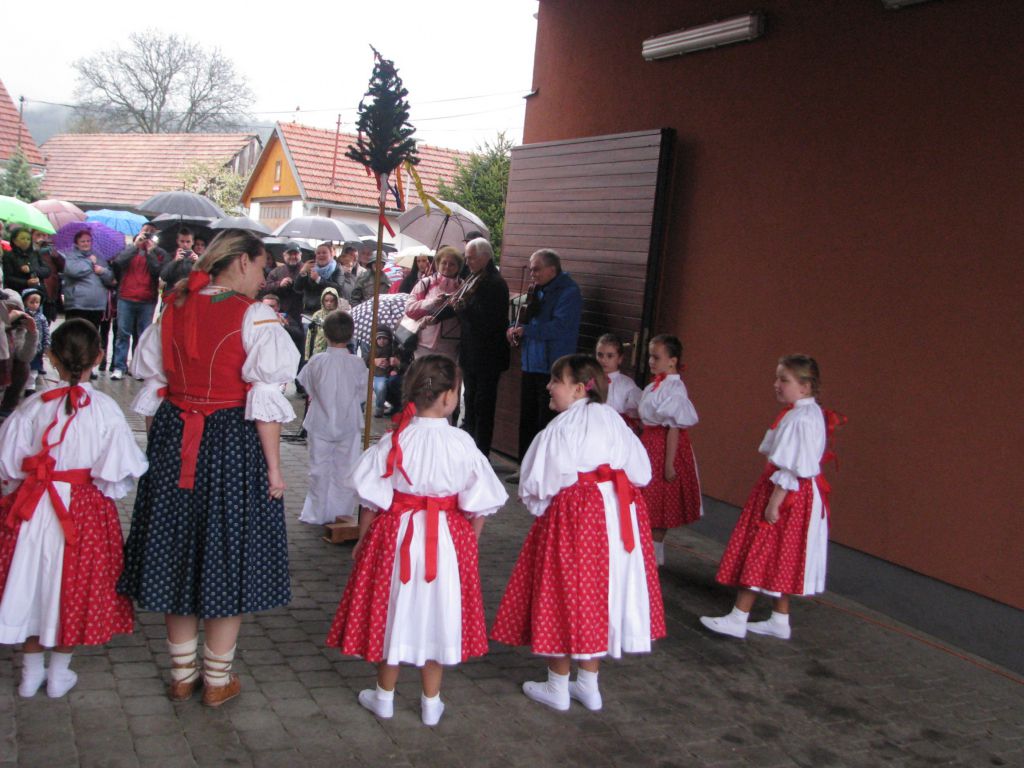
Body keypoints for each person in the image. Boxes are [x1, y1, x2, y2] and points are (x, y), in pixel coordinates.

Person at [118, 230, 300, 707]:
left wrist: (161, 451)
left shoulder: (172, 307)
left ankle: (182, 674)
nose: (263, 278)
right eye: (261, 267)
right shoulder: (254, 316)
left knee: (176, 550)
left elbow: (155, 391)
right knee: (227, 553)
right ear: (240, 262)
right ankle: (217, 680)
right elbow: (265, 403)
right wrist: (275, 470)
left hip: (174, 438)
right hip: (231, 441)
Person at [326, 354, 507, 727]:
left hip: (395, 538)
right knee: (438, 614)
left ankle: (384, 696)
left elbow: (371, 500)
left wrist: (363, 541)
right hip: (447, 543)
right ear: (449, 397)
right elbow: (480, 504)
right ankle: (430, 702)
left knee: (393, 611)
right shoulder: (462, 443)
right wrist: (469, 545)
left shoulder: (395, 439)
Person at [491, 354, 664, 712]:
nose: (549, 386)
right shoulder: (614, 420)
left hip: (577, 517)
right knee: (601, 593)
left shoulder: (562, 428)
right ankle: (588, 684)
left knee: (565, 590)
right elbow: (641, 472)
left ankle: (557, 685)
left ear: (580, 388)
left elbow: (536, 485)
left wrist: (543, 508)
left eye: (557, 380)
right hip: (618, 513)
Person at [0, 319, 147, 698]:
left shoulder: (31, 406)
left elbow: (8, 465)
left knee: (30, 582)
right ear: (99, 356)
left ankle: (31, 672)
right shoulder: (105, 410)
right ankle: (59, 673)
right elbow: (116, 475)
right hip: (83, 511)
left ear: (51, 357)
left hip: (31, 507)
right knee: (73, 586)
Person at [700, 356, 843, 641]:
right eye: (777, 378)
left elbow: (793, 466)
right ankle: (779, 618)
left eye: (784, 380)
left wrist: (775, 501)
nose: (776, 384)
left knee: (762, 547)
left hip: (787, 493)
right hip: (795, 491)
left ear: (805, 386)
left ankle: (738, 616)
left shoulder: (801, 419)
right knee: (780, 553)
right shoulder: (807, 413)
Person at [506, 249, 582, 469]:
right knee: (527, 418)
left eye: (536, 269)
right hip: (531, 362)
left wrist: (527, 330)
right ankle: (524, 467)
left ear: (552, 269)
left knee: (546, 421)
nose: (532, 274)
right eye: (531, 270)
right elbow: (524, 318)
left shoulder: (569, 292)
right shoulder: (537, 290)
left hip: (551, 365)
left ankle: (544, 470)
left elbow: (560, 327)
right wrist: (513, 328)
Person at [296, 310, 366, 526]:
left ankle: (317, 513)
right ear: (351, 335)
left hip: (320, 421)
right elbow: (363, 394)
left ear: (325, 334)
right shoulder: (357, 364)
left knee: (318, 468)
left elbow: (307, 386)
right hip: (349, 421)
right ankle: (340, 513)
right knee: (346, 469)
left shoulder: (316, 361)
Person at [637, 334, 702, 566]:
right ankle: (647, 553)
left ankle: (654, 556)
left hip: (663, 448)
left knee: (659, 504)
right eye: (650, 357)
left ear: (672, 361)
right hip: (650, 444)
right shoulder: (656, 385)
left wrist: (669, 464)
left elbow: (673, 428)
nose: (651, 362)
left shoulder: (675, 388)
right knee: (648, 500)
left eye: (656, 357)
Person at [453, 238, 509, 457]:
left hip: (487, 356)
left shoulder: (494, 283)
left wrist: (462, 309)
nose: (467, 262)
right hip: (471, 353)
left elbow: (488, 321)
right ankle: (469, 450)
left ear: (485, 257)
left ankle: (481, 453)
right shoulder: (473, 278)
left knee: (483, 406)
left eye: (471, 258)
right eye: (466, 258)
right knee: (470, 402)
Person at [109, 230, 163, 380]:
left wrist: (150, 252)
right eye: (143, 236)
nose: (145, 240)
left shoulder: (156, 253)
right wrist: (135, 246)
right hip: (126, 297)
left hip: (147, 299)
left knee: (143, 335)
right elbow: (118, 263)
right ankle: (119, 367)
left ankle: (139, 367)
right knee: (122, 333)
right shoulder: (129, 251)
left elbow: (157, 270)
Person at [404, 246, 462, 362]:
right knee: (424, 374)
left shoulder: (462, 287)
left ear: (458, 267)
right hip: (423, 344)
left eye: (452, 264)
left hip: (450, 346)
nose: (447, 267)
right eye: (444, 263)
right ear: (437, 264)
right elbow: (409, 309)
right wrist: (431, 302)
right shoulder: (425, 283)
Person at [60, 231, 116, 347]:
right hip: (77, 305)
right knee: (74, 336)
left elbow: (110, 278)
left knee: (91, 338)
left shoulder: (98, 256)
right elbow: (74, 271)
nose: (86, 243)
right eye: (83, 241)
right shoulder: (72, 256)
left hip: (96, 306)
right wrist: (89, 262)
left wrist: (102, 271)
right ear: (76, 243)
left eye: (88, 241)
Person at [0, 290, 39, 422]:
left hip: (7, 369)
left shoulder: (18, 329)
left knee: (23, 366)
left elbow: (24, 357)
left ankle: (8, 406)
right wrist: (5, 323)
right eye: (8, 310)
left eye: (15, 310)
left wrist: (32, 333)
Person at [596, 333, 641, 429]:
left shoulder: (627, 384)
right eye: (600, 355)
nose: (603, 360)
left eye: (610, 356)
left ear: (620, 359)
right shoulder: (590, 380)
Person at [295, 242, 345, 315]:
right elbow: (297, 288)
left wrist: (319, 279)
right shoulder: (310, 267)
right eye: (318, 253)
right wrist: (302, 272)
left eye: (324, 253)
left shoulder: (337, 269)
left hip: (329, 311)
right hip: (309, 310)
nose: (321, 255)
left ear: (331, 255)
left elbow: (338, 288)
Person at [304, 287, 351, 360]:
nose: (329, 303)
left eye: (332, 301)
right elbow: (310, 336)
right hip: (318, 350)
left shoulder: (339, 315)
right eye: (326, 301)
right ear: (322, 301)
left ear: (336, 301)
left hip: (335, 351)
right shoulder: (317, 315)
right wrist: (307, 355)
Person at [2, 228, 50, 298]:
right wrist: (26, 282)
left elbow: (47, 271)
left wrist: (31, 269)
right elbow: (8, 278)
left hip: (38, 291)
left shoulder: (35, 254)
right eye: (22, 238)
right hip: (18, 293)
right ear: (14, 240)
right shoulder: (8, 256)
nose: (26, 241)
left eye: (28, 239)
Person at [20, 288, 50, 396]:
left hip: (37, 348)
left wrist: (47, 345)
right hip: (24, 347)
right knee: (23, 366)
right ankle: (21, 384)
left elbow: (46, 332)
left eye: (37, 302)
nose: (34, 305)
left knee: (34, 369)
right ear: (25, 302)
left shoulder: (42, 317)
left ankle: (30, 386)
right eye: (31, 302)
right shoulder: (22, 316)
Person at [32, 231, 64, 323]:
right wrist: (36, 250)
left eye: (44, 235)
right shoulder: (30, 250)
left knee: (46, 321)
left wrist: (57, 257)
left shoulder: (50, 250)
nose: (41, 237)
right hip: (34, 290)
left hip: (49, 291)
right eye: (38, 235)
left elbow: (63, 268)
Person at [158, 228, 198, 295]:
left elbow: (204, 278)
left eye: (188, 242)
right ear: (177, 241)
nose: (185, 244)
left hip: (190, 294)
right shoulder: (170, 255)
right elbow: (163, 276)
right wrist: (175, 261)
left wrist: (197, 263)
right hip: (173, 294)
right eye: (182, 241)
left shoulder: (198, 257)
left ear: (193, 242)